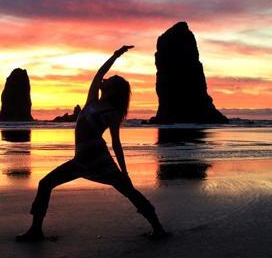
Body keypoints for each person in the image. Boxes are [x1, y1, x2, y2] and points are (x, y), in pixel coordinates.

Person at [16, 45, 168, 242]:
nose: (105, 80)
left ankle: (158, 228)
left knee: (128, 191)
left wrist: (124, 172)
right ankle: (35, 230)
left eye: (110, 81)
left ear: (113, 90)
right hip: (80, 161)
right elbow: (99, 73)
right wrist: (116, 55)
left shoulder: (113, 113)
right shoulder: (91, 101)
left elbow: (116, 143)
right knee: (45, 183)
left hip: (100, 161)